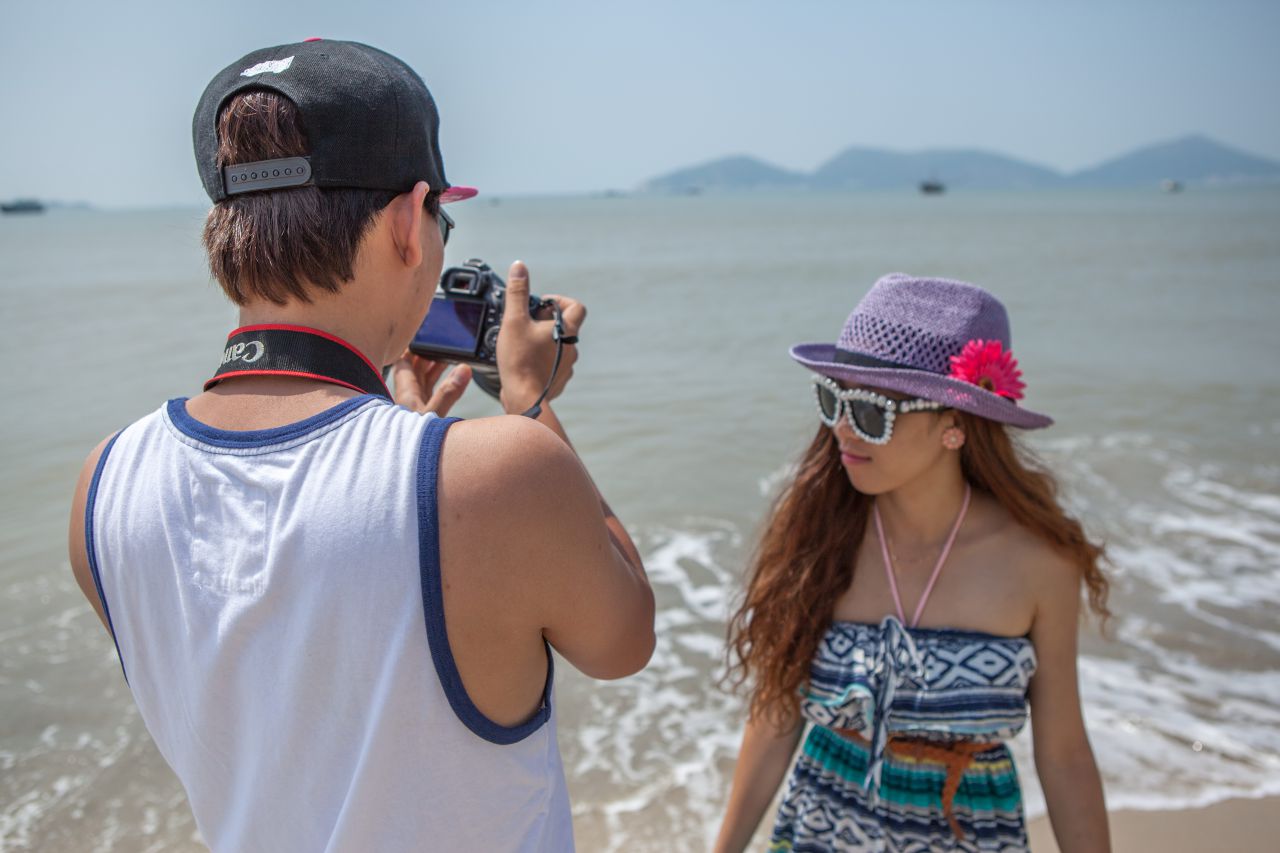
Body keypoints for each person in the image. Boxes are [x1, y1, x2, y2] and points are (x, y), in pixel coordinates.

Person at [67, 39, 654, 852]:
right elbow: (627, 639)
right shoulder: (497, 471)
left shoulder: (104, 483)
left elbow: (293, 698)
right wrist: (531, 400)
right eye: (445, 217)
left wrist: (404, 432)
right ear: (410, 222)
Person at [715, 274, 1111, 852]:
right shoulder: (819, 537)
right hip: (821, 832)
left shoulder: (1040, 564)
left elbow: (1064, 753)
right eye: (834, 399)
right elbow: (776, 716)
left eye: (872, 411)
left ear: (956, 423)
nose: (843, 429)